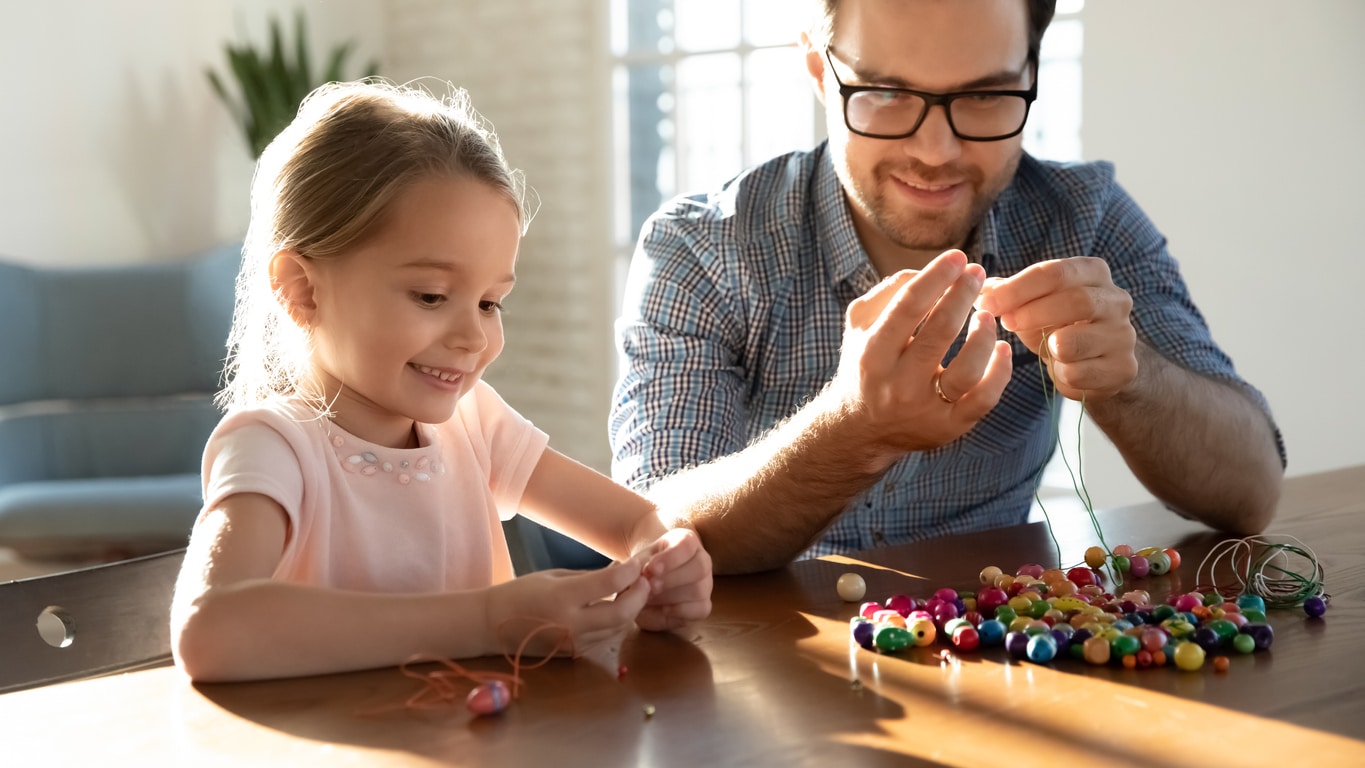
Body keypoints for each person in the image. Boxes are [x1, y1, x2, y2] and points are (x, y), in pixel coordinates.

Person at [610, 0, 1285, 575]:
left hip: (999, 652)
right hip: (748, 681)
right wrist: (854, 431)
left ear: (1031, 75)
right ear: (820, 72)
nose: (934, 151)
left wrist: (1132, 381)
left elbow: (1251, 494)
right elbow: (650, 533)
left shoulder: (1085, 218)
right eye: (886, 92)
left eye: (984, 95)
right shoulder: (703, 247)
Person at [171, 80, 711, 683]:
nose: (474, 338)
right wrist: (486, 622)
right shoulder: (274, 447)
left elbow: (636, 522)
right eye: (430, 295)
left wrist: (668, 560)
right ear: (302, 289)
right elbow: (209, 629)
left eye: (489, 303)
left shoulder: (475, 420)